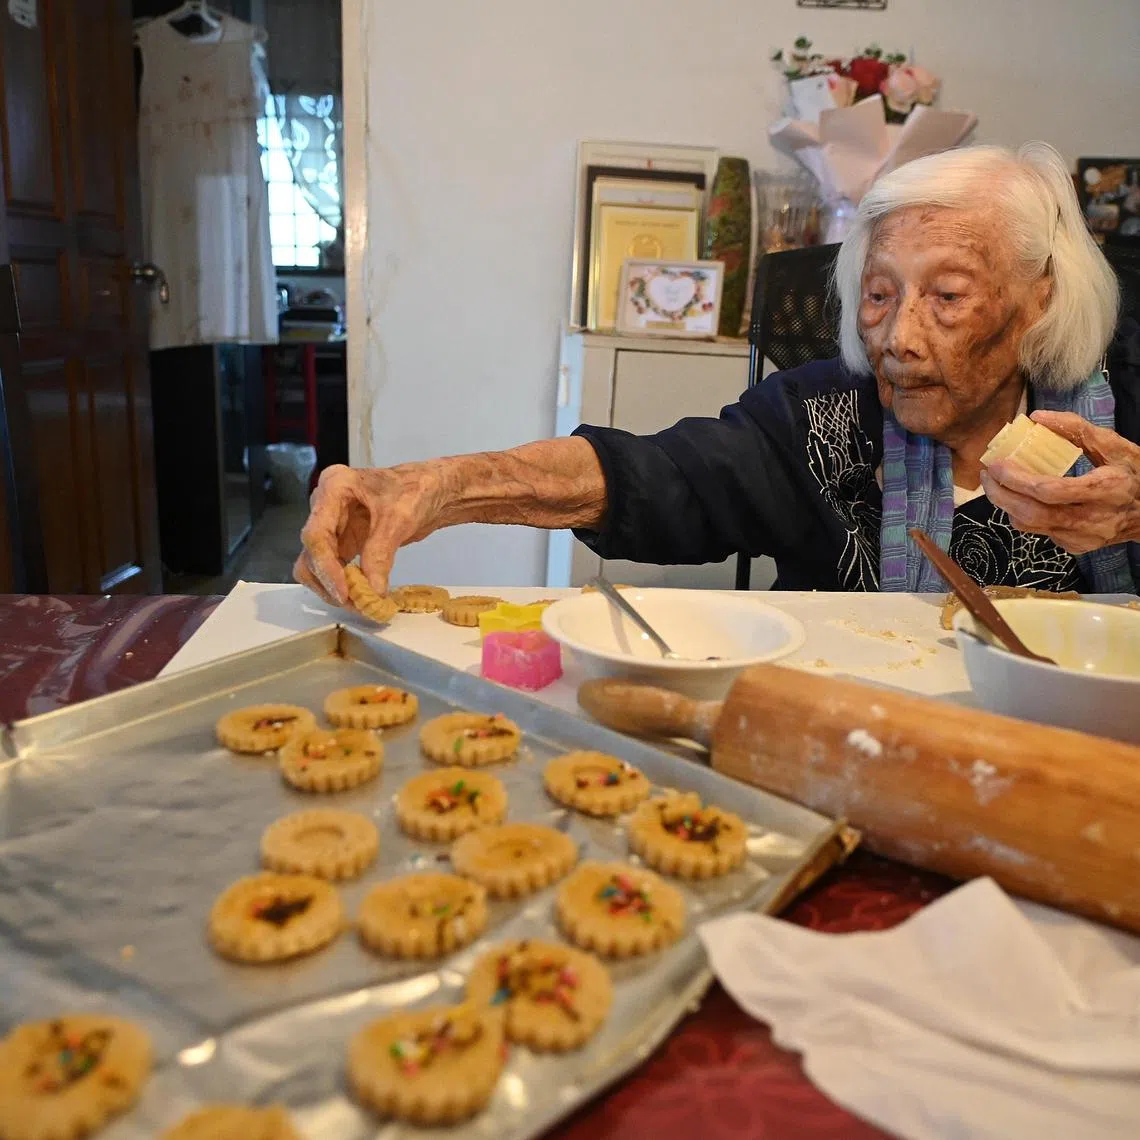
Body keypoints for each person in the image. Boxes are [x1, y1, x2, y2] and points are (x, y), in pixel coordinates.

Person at [296, 143, 1140, 606]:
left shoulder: (1122, 418)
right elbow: (654, 475)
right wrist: (435, 486)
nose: (898, 339)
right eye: (879, 296)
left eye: (947, 295)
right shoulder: (820, 421)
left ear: (1040, 299)